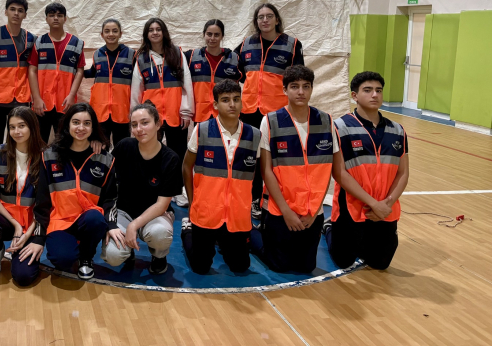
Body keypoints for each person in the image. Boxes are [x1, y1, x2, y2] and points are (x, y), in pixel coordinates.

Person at [250, 65, 337, 273]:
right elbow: (266, 171)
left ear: (312, 89)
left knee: (306, 267)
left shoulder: (326, 121)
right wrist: (287, 212)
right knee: (279, 266)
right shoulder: (270, 121)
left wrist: (315, 210)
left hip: (311, 212)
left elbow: (326, 170)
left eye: (306, 86)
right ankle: (249, 232)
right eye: (295, 86)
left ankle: (325, 226)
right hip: (280, 209)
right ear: (285, 89)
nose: (301, 92)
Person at [324, 71, 409, 270]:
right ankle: (329, 227)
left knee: (380, 264)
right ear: (354, 95)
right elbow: (339, 172)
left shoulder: (397, 130)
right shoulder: (340, 127)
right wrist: (373, 203)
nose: (374, 95)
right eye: (368, 90)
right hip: (352, 206)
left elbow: (403, 173)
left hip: (385, 208)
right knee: (344, 261)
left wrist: (387, 204)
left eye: (378, 90)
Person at [181, 79, 260, 274]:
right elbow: (186, 166)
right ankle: (188, 231)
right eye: (225, 100)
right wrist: (192, 201)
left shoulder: (255, 135)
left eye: (236, 99)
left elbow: (259, 173)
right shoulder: (202, 130)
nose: (232, 104)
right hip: (206, 212)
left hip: (237, 214)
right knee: (200, 268)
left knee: (240, 267)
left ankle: (224, 241)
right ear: (215, 104)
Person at [234, 3, 304, 220]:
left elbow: (298, 78)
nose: (264, 20)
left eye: (269, 16)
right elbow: (234, 70)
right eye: (260, 17)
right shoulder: (246, 44)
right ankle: (253, 199)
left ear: (277, 19)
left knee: (277, 157)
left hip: (278, 112)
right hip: (250, 110)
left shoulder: (292, 44)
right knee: (251, 157)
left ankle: (279, 198)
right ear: (256, 21)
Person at [33, 104, 116, 280]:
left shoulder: (104, 159)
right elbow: (42, 201)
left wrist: (111, 224)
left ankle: (86, 257)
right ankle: (70, 245)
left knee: (95, 219)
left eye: (87, 123)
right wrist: (39, 237)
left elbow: (110, 198)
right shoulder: (49, 156)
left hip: (88, 219)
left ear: (93, 127)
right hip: (59, 221)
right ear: (67, 125)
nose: (81, 128)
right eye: (76, 122)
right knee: (62, 259)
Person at [101, 102, 183, 275]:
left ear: (158, 124)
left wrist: (134, 225)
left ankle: (159, 255)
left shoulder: (171, 159)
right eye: (134, 125)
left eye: (145, 123)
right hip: (123, 211)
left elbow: (162, 205)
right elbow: (104, 173)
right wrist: (95, 142)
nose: (139, 129)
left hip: (155, 214)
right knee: (113, 256)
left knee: (160, 234)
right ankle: (128, 250)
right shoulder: (124, 146)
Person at [0, 107, 46, 285]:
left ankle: (25, 248)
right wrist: (15, 225)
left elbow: (46, 204)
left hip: (32, 223)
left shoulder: (46, 156)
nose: (16, 131)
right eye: (12, 127)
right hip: (6, 219)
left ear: (32, 127)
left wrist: (27, 233)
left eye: (22, 126)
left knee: (23, 277)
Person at [131, 18, 193, 205]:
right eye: (151, 30)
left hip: (175, 113)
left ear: (164, 32)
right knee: (151, 152)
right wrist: (136, 118)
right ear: (146, 34)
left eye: (158, 29)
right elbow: (136, 89)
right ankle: (152, 188)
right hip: (151, 116)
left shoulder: (177, 53)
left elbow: (187, 83)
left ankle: (178, 190)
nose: (155, 32)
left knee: (178, 153)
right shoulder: (141, 58)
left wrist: (186, 111)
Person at [28, 2, 86, 143]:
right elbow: (32, 70)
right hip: (42, 103)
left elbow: (80, 70)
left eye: (59, 15)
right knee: (39, 143)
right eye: (52, 15)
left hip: (65, 103)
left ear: (65, 19)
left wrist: (71, 96)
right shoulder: (39, 42)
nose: (55, 18)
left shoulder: (76, 43)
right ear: (46, 19)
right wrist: (36, 98)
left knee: (64, 143)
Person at [0, 0, 36, 147]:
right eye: (12, 9)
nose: (16, 13)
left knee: (20, 140)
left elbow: (34, 69)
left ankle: (17, 164)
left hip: (22, 97)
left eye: (20, 10)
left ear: (25, 15)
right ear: (6, 12)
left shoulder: (31, 39)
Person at [85, 19, 135, 148]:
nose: (111, 34)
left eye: (114, 31)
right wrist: (77, 70)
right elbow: (93, 72)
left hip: (122, 111)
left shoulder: (131, 55)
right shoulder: (97, 54)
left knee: (122, 149)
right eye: (107, 31)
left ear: (120, 33)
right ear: (102, 35)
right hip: (100, 111)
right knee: (100, 149)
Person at [185, 19, 241, 124]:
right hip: (201, 114)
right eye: (209, 34)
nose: (212, 38)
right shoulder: (191, 56)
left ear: (222, 36)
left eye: (216, 35)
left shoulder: (234, 58)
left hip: (225, 114)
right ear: (204, 34)